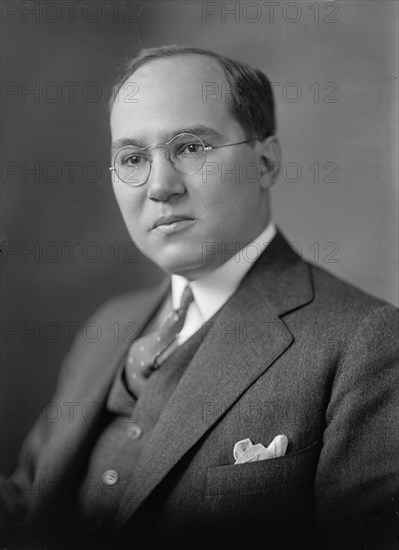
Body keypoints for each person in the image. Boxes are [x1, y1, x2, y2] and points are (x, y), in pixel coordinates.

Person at [1, 45, 398, 550]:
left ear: (266, 162)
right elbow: (27, 503)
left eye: (190, 148)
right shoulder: (111, 326)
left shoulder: (367, 342)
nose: (160, 186)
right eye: (132, 158)